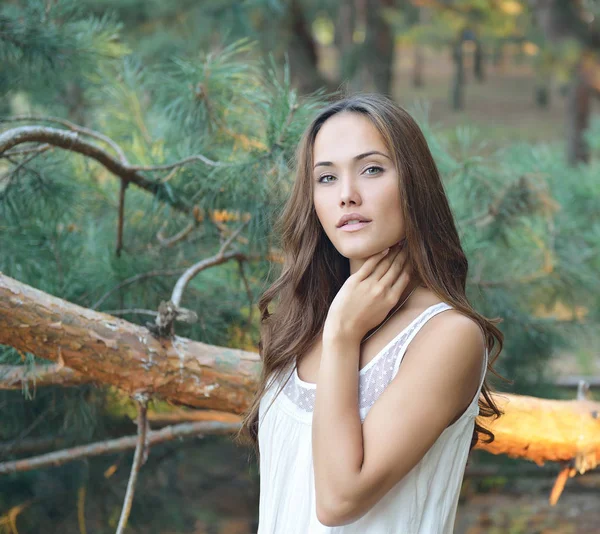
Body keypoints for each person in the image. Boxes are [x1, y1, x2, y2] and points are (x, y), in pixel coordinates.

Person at [235, 93, 505, 533]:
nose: (347, 195)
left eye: (372, 169)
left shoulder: (446, 336)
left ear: (413, 184)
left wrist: (343, 336)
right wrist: (337, 324)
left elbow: (339, 500)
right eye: (326, 178)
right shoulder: (299, 325)